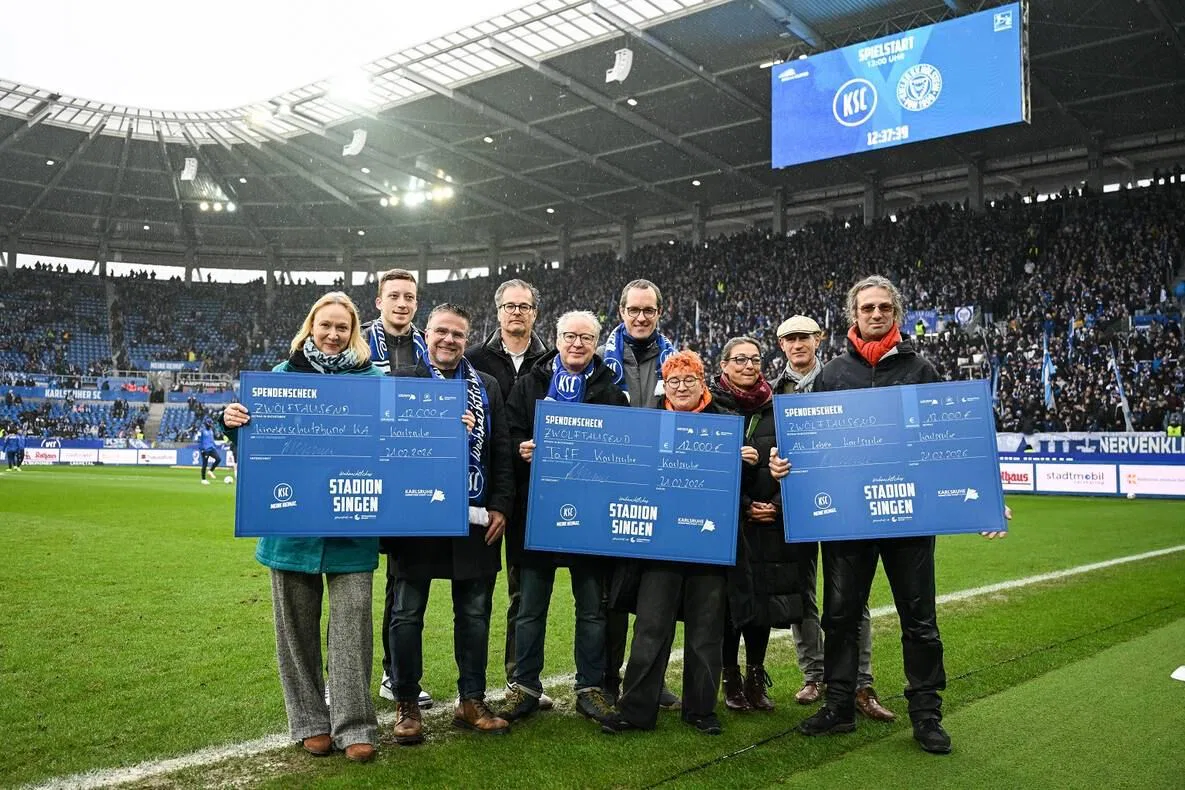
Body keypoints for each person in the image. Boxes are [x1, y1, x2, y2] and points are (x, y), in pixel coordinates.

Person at [797, 276, 1007, 755]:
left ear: (897, 313)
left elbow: (950, 444)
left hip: (908, 518)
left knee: (920, 618)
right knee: (840, 615)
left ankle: (926, 713)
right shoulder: (832, 374)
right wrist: (788, 466)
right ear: (854, 314)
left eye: (884, 307)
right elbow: (816, 450)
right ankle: (839, 707)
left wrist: (985, 498)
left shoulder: (922, 369)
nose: (875, 314)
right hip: (849, 518)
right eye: (867, 307)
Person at [221, 291, 381, 763]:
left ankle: (355, 726)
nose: (333, 335)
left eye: (343, 328)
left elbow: (398, 441)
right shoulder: (278, 379)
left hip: (353, 528)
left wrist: (445, 426)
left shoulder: (372, 381)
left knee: (352, 631)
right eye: (325, 325)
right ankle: (311, 722)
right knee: (296, 632)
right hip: (290, 531)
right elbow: (257, 449)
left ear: (354, 333)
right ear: (310, 326)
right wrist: (234, 424)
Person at [603, 351, 790, 736]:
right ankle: (636, 709)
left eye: (690, 379)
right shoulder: (648, 422)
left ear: (703, 381)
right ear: (665, 385)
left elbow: (753, 488)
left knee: (707, 631)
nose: (682, 387)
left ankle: (701, 710)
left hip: (711, 543)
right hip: (660, 545)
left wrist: (749, 463)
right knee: (651, 628)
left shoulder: (728, 423)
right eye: (675, 381)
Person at [386, 303, 516, 745]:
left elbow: (501, 448)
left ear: (467, 339)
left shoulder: (488, 386)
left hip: (475, 516)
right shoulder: (401, 381)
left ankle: (471, 700)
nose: (448, 341)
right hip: (416, 517)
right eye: (441, 332)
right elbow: (385, 442)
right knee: (406, 614)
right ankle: (406, 701)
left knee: (475, 614)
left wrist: (500, 504)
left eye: (458, 335)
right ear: (426, 334)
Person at [500, 310, 625, 726]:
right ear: (556, 338)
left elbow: (622, 451)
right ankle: (526, 688)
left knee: (591, 608)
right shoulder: (528, 385)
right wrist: (523, 450)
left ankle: (590, 688)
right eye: (570, 336)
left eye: (586, 338)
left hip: (590, 518)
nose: (577, 344)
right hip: (537, 514)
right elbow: (509, 435)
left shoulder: (611, 392)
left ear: (596, 343)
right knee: (531, 607)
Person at [770, 316, 893, 721]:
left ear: (818, 339)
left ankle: (861, 682)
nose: (797, 343)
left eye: (804, 336)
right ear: (781, 344)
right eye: (790, 338)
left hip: (844, 503)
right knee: (801, 595)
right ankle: (814, 674)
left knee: (851, 596)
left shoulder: (844, 379)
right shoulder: (773, 392)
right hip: (796, 505)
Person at [464, 279, 552, 709]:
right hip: (483, 495)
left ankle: (520, 680)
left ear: (535, 312)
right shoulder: (472, 360)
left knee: (523, 592)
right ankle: (468, 689)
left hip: (534, 496)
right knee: (474, 591)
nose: (516, 313)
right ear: (497, 311)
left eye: (525, 306)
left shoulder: (552, 363)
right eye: (509, 306)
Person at [708, 336, 802, 714]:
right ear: (724, 365)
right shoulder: (710, 407)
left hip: (770, 521)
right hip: (729, 523)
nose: (749, 365)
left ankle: (756, 676)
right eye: (740, 359)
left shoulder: (778, 409)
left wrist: (776, 506)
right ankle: (729, 678)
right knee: (731, 606)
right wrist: (745, 504)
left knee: (762, 603)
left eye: (755, 359)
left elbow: (799, 463)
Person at [599, 279, 680, 709]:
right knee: (612, 594)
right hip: (613, 487)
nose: (641, 317)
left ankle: (650, 677)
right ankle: (608, 679)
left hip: (663, 487)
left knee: (659, 595)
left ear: (659, 313)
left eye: (649, 310)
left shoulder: (680, 362)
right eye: (635, 309)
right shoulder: (598, 362)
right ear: (621, 312)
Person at [360, 268, 434, 709]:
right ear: (379, 301)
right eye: (395, 296)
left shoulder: (428, 345)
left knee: (401, 583)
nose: (402, 303)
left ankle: (395, 675)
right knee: (350, 584)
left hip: (408, 477)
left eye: (409, 297)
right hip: (363, 474)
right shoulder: (357, 343)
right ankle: (346, 680)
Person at [196, 419, 221, 485]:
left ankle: (210, 471)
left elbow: (211, 440)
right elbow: (199, 441)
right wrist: (201, 449)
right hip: (205, 449)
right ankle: (203, 479)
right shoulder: (202, 431)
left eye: (211, 423)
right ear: (206, 424)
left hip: (212, 448)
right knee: (205, 464)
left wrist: (215, 445)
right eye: (210, 423)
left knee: (218, 459)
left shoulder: (211, 431)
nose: (211, 425)